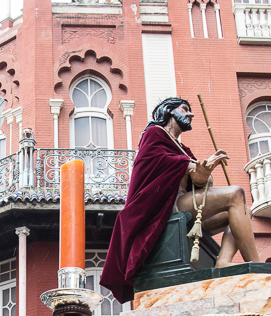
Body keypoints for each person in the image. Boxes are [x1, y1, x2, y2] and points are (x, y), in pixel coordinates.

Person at [101, 97, 259, 303]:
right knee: (235, 193)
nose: (190, 114)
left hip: (189, 207)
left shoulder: (183, 148)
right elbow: (157, 162)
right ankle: (256, 264)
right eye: (185, 109)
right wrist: (191, 166)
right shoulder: (154, 134)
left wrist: (204, 169)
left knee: (244, 209)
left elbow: (201, 179)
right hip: (168, 205)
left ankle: (223, 261)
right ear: (169, 111)